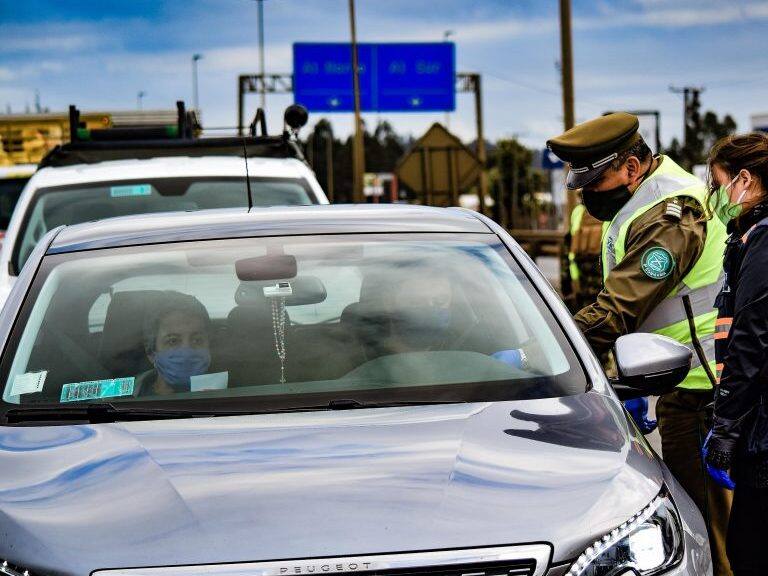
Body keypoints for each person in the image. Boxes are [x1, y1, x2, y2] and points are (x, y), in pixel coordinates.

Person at [547, 112, 731, 576]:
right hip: (675, 384)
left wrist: (546, 345)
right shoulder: (640, 202)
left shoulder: (672, 215)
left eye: (596, 179)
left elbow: (618, 309)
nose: (587, 193)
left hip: (705, 391)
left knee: (709, 534)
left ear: (631, 168)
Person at [703, 133, 768, 576]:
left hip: (764, 431)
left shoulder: (762, 242)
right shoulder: (750, 238)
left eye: (718, 182)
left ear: (744, 180)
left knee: (751, 551)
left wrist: (726, 426)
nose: (716, 195)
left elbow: (751, 339)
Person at [139, 291, 213, 395]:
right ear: (151, 353)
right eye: (172, 341)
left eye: (197, 340)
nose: (187, 353)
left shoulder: (234, 392)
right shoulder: (118, 392)